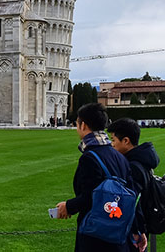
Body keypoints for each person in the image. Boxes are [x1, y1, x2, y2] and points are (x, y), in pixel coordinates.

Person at [56, 103, 135, 251]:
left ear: (83, 125)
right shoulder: (120, 157)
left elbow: (89, 196)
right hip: (118, 230)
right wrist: (137, 229)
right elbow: (131, 193)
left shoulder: (89, 157)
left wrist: (68, 206)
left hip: (96, 233)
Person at [107, 117, 158, 252]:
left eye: (113, 140)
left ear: (126, 141)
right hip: (140, 226)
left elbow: (131, 202)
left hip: (134, 231)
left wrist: (136, 230)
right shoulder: (141, 161)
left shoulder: (133, 167)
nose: (112, 144)